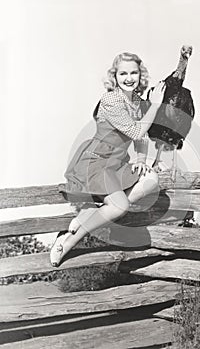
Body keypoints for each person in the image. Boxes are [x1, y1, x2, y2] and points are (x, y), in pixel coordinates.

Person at [50, 52, 165, 267]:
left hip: (117, 164)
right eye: (123, 73)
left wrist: (141, 158)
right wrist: (156, 106)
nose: (129, 78)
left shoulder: (138, 102)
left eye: (133, 72)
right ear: (115, 76)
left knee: (151, 179)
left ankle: (88, 216)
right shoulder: (111, 99)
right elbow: (136, 131)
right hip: (96, 162)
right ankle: (68, 239)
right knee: (120, 207)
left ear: (141, 75)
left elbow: (143, 137)